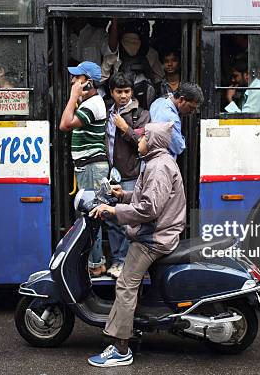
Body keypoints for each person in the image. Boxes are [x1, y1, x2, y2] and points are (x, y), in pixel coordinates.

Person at [87, 122, 186, 367]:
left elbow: (150, 209)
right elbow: (150, 199)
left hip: (153, 238)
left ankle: (121, 348)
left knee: (125, 285)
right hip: (160, 231)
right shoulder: (156, 163)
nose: (138, 141)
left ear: (152, 141)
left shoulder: (158, 167)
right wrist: (123, 196)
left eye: (142, 138)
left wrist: (113, 210)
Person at [59, 61, 109, 277]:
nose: (72, 81)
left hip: (91, 169)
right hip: (88, 168)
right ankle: (95, 262)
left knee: (90, 215)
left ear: (88, 82)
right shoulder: (90, 102)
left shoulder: (92, 105)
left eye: (77, 78)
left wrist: (72, 97)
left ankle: (95, 264)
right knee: (89, 214)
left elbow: (64, 125)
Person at [105, 72, 151, 279]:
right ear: (111, 93)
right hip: (110, 174)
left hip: (132, 173)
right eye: (119, 92)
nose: (123, 96)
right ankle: (117, 260)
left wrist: (125, 129)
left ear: (132, 92)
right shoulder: (106, 112)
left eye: (127, 92)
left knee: (130, 220)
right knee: (111, 220)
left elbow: (143, 144)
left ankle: (124, 261)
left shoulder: (141, 114)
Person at [149, 82, 203, 158]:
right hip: (162, 164)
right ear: (181, 99)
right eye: (191, 107)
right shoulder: (171, 119)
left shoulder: (159, 102)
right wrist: (181, 138)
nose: (192, 112)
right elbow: (178, 148)